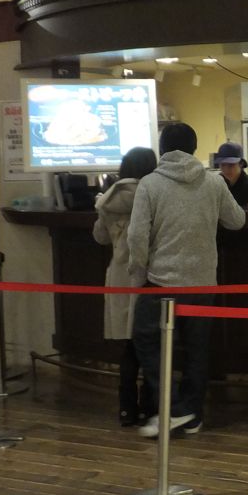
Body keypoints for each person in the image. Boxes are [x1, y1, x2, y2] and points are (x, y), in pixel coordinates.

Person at [126, 123, 245, 438]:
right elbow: (237, 221)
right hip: (203, 281)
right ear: (194, 148)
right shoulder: (213, 181)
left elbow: (136, 236)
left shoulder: (150, 184)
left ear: (163, 149)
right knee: (197, 349)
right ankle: (192, 415)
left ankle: (174, 408)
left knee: (147, 341)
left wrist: (139, 272)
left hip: (160, 281)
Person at [94, 146, 157, 428]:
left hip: (119, 276)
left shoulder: (108, 198)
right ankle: (148, 407)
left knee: (128, 346)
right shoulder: (151, 195)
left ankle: (126, 409)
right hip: (146, 274)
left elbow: (99, 237)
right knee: (150, 344)